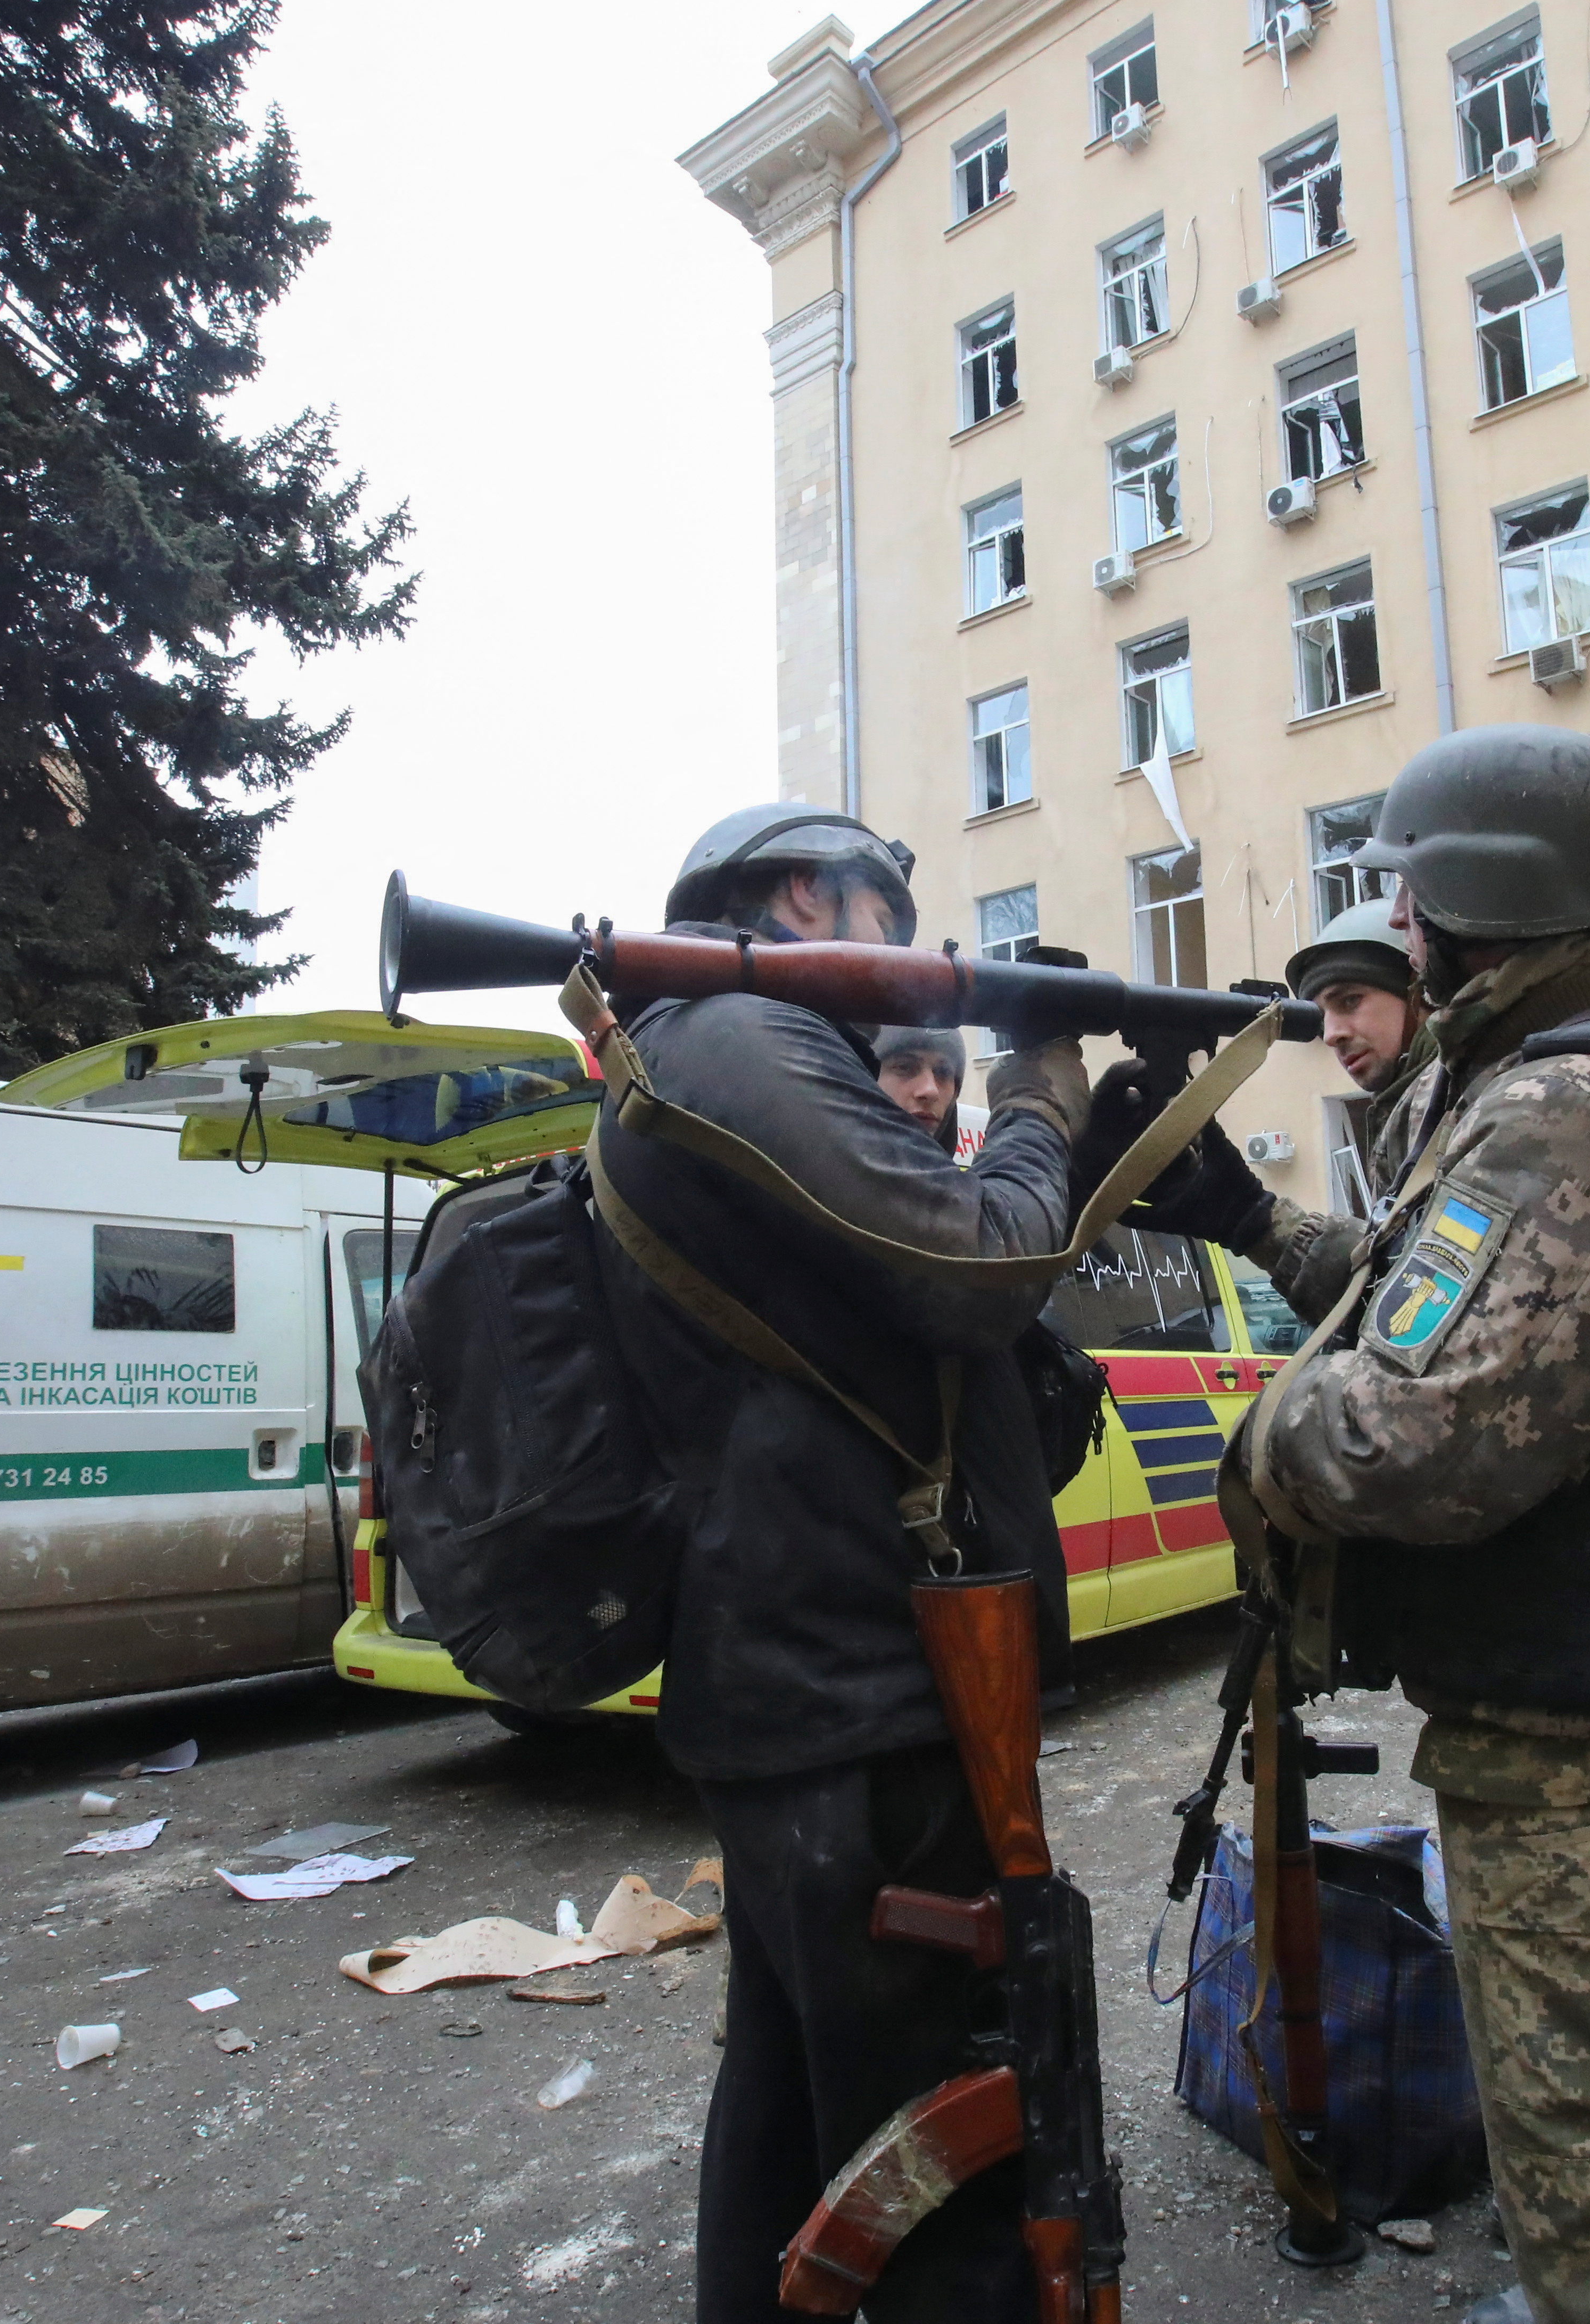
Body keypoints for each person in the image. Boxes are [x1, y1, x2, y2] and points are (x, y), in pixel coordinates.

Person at [1204, 724, 1590, 2324]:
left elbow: (1411, 1435)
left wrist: (1259, 1437)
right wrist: (1248, 1221)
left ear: (1476, 896)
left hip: (1579, 1739)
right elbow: (1436, 1304)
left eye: (1406, 891)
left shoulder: (1575, 1111)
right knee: (1585, 2115)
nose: (1391, 926)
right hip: (1563, 1715)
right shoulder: (1549, 1078)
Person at [590, 803, 1099, 2324]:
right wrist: (1041, 1103)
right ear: (810, 894)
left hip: (817, 1686)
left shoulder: (712, 1052)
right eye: (894, 911)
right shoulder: (745, 1041)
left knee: (799, 2105)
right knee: (930, 2161)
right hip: (856, 1690)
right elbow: (980, 1263)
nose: (917, 956)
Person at [1115, 899, 1440, 1315]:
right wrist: (1249, 1218)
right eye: (1321, 1016)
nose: (1332, 1034)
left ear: (1419, 993)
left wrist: (1248, 1216)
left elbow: (1427, 1314)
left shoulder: (1461, 1102)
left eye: (1350, 1001)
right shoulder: (1410, 1110)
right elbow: (1393, 1293)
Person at [871, 1022, 968, 1154]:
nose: (931, 1091)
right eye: (905, 1067)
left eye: (944, 1072)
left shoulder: (961, 1175)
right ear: (868, 1076)